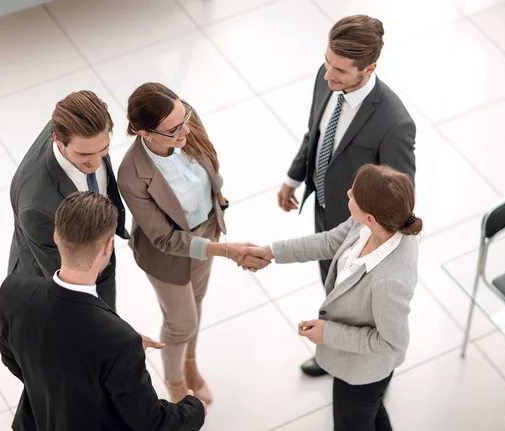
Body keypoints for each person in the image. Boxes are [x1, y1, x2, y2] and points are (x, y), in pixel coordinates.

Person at [276, 15, 417, 377]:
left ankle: (367, 369)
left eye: (338, 69)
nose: (327, 75)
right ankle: (332, 347)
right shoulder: (327, 82)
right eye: (326, 61)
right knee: (333, 286)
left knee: (357, 300)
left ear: (368, 69)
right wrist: (293, 178)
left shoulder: (394, 123)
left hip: (359, 231)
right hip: (326, 209)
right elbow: (315, 135)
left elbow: (400, 199)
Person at [0, 191, 207, 431]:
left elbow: (12, 359)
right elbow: (152, 423)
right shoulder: (120, 342)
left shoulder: (13, 291)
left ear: (56, 236)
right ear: (108, 246)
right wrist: (195, 407)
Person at [117, 82, 269, 403]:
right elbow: (165, 238)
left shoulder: (185, 123)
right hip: (167, 253)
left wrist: (217, 195)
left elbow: (210, 164)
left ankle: (190, 365)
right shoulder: (132, 174)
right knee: (181, 322)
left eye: (185, 117)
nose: (186, 130)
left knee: (196, 305)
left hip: (207, 231)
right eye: (173, 129)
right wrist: (227, 250)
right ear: (144, 133)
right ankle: (174, 384)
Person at [247, 164, 421, 431]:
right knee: (372, 413)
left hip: (363, 373)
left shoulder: (389, 280)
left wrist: (328, 334)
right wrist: (272, 252)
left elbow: (393, 343)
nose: (349, 193)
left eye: (354, 196)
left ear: (371, 217)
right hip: (355, 366)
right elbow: (329, 242)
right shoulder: (374, 223)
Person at [8, 90, 129, 311]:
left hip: (97, 254)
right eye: (84, 156)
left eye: (103, 150)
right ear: (57, 139)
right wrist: (112, 330)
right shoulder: (37, 206)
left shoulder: (79, 125)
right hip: (52, 280)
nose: (95, 163)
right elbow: (72, 284)